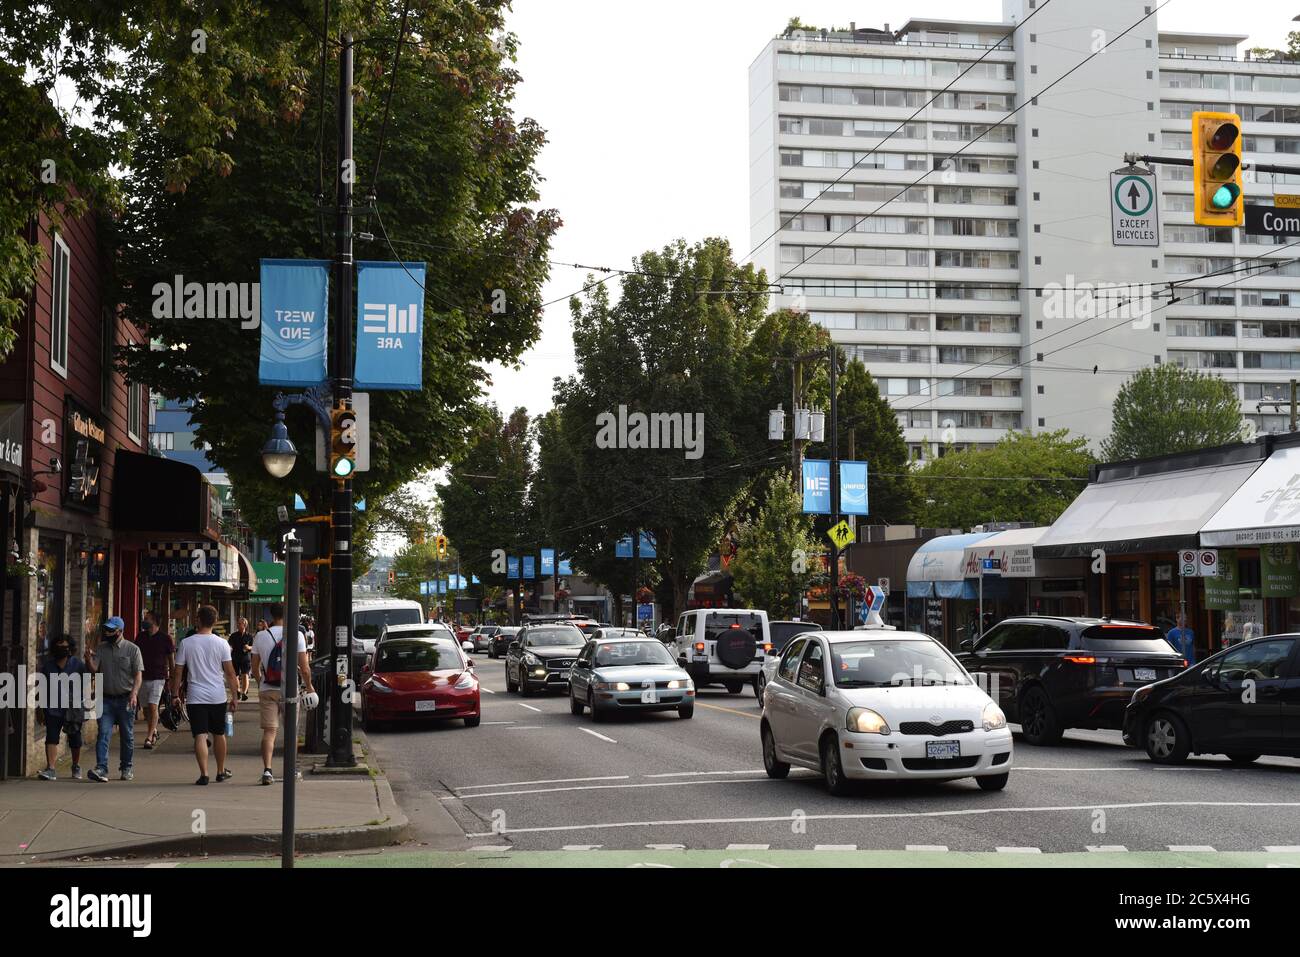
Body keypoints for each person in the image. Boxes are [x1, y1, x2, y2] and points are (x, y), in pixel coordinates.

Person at [250, 603, 318, 786]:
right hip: (289, 689)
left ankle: (267, 770)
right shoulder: (297, 635)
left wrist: (260, 681)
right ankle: (291, 769)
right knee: (290, 732)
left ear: (271, 615)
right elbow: (304, 668)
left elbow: (254, 666)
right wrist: (309, 686)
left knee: (269, 732)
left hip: (267, 689)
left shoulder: (260, 636)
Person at [170, 604, 238, 785]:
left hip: (196, 696)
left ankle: (204, 774)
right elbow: (230, 673)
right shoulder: (222, 643)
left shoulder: (186, 643)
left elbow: (178, 672)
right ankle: (221, 771)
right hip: (217, 695)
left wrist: (174, 695)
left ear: (198, 620)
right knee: (219, 733)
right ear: (215, 622)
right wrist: (235, 696)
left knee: (200, 735)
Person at [85, 617, 143, 782]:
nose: (107, 633)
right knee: (103, 733)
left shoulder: (133, 650)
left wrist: (134, 693)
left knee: (127, 735)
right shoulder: (101, 648)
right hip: (105, 699)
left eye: (111, 630)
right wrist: (88, 659)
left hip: (126, 698)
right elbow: (94, 670)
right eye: (106, 629)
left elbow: (138, 675)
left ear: (120, 631)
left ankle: (126, 767)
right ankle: (101, 768)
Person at [35, 635, 86, 781]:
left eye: (64, 647)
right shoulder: (48, 666)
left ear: (70, 648)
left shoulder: (77, 665)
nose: (61, 650)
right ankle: (51, 768)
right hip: (52, 707)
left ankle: (75, 765)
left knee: (75, 739)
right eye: (58, 647)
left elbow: (89, 679)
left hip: (72, 708)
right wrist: (39, 709)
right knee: (51, 737)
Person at [134, 610, 175, 750]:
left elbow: (171, 659)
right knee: (146, 710)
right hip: (142, 677)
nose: (144, 620)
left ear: (155, 621)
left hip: (159, 677)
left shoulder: (165, 638)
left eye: (147, 618)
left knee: (153, 706)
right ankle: (154, 730)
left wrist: (172, 677)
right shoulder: (140, 637)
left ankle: (149, 737)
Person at [228, 617, 254, 701]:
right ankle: (238, 691)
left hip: (245, 658)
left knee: (245, 675)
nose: (238, 625)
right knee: (235, 676)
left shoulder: (249, 636)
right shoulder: (233, 635)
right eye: (238, 623)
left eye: (240, 623)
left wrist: (248, 647)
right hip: (235, 657)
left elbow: (254, 647)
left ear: (245, 625)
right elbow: (229, 646)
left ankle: (244, 692)